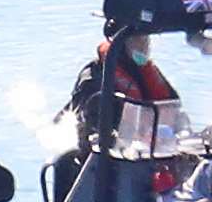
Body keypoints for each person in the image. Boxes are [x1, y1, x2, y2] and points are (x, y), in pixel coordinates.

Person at [60, 20, 178, 158]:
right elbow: (90, 124)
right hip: (112, 159)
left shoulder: (146, 72)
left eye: (146, 39)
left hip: (154, 151)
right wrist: (112, 137)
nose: (144, 45)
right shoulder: (94, 78)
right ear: (120, 44)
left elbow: (173, 105)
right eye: (137, 40)